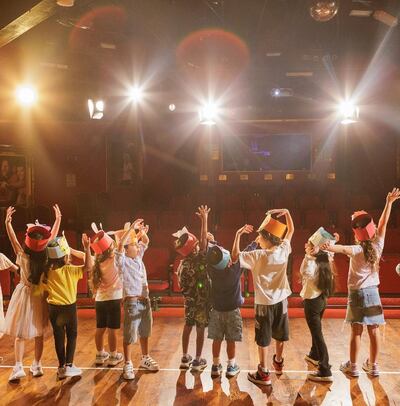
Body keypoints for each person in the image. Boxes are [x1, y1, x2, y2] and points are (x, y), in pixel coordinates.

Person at [321, 188, 400, 378]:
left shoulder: (356, 250)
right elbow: (383, 223)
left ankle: (354, 367)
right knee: (374, 330)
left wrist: (328, 246)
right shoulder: (378, 244)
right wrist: (389, 203)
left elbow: (340, 248)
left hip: (356, 294)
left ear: (357, 235)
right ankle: (373, 366)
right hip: (373, 293)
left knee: (356, 331)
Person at [232, 209, 294, 386]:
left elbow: (235, 256)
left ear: (267, 238)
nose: (258, 240)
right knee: (280, 334)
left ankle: (264, 372)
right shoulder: (283, 249)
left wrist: (237, 235)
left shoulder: (257, 255)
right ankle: (279, 363)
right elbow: (290, 230)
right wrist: (286, 212)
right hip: (282, 300)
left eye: (260, 237)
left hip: (264, 304)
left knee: (263, 338)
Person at [2, 204, 61, 382]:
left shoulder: (22, 254)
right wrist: (58, 219)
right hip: (39, 295)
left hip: (24, 293)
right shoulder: (46, 256)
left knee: (20, 334)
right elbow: (52, 237)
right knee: (39, 333)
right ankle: (37, 365)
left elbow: (13, 240)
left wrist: (7, 223)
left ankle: (18, 366)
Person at [42, 233, 92, 379]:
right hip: (69, 308)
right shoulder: (70, 270)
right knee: (72, 335)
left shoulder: (47, 272)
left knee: (59, 337)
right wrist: (87, 248)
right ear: (64, 257)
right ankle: (69, 365)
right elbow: (89, 266)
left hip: (53, 309)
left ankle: (61, 367)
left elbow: (44, 293)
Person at [114, 219, 159, 380]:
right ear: (126, 249)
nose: (138, 246)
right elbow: (119, 246)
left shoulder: (138, 257)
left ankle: (145, 358)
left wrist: (141, 232)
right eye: (134, 245)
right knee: (129, 334)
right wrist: (131, 229)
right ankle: (127, 363)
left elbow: (146, 240)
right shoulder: (122, 261)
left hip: (144, 300)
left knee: (145, 331)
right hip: (132, 302)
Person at [174, 206, 211, 372]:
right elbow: (203, 239)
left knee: (187, 326)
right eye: (196, 245)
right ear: (194, 248)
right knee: (200, 329)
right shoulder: (199, 259)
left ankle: (184, 357)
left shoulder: (182, 264)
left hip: (188, 302)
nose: (198, 245)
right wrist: (205, 220)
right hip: (201, 302)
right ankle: (197, 359)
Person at [300, 227, 338, 383]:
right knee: (316, 331)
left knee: (317, 334)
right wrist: (333, 242)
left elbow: (305, 272)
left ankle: (325, 369)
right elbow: (330, 251)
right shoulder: (326, 258)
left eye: (308, 244)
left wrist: (308, 256)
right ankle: (314, 354)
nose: (306, 245)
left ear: (313, 249)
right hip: (322, 300)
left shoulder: (312, 261)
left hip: (312, 302)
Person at [90, 223, 124, 367]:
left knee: (100, 329)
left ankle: (100, 354)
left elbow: (82, 254)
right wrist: (118, 234)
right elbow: (120, 245)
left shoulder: (96, 260)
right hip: (114, 299)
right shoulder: (114, 258)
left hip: (100, 300)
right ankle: (113, 355)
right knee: (112, 330)